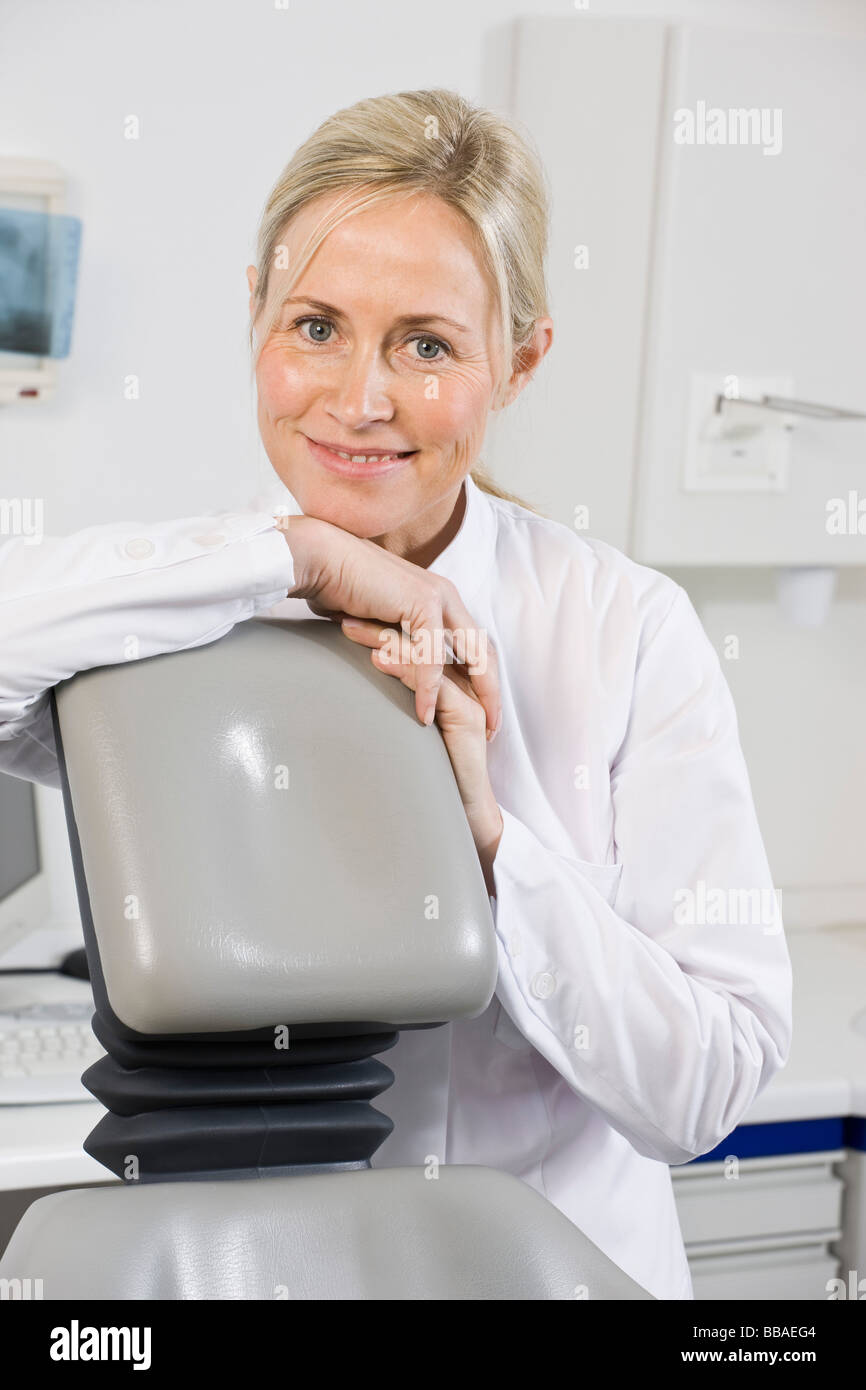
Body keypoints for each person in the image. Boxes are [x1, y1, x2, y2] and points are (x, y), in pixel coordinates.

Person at [0, 88, 792, 1300]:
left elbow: (707, 1090)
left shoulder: (625, 633)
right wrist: (294, 560)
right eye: (313, 324)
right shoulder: (169, 612)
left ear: (519, 361)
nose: (359, 397)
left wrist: (489, 847)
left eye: (426, 344)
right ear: (252, 310)